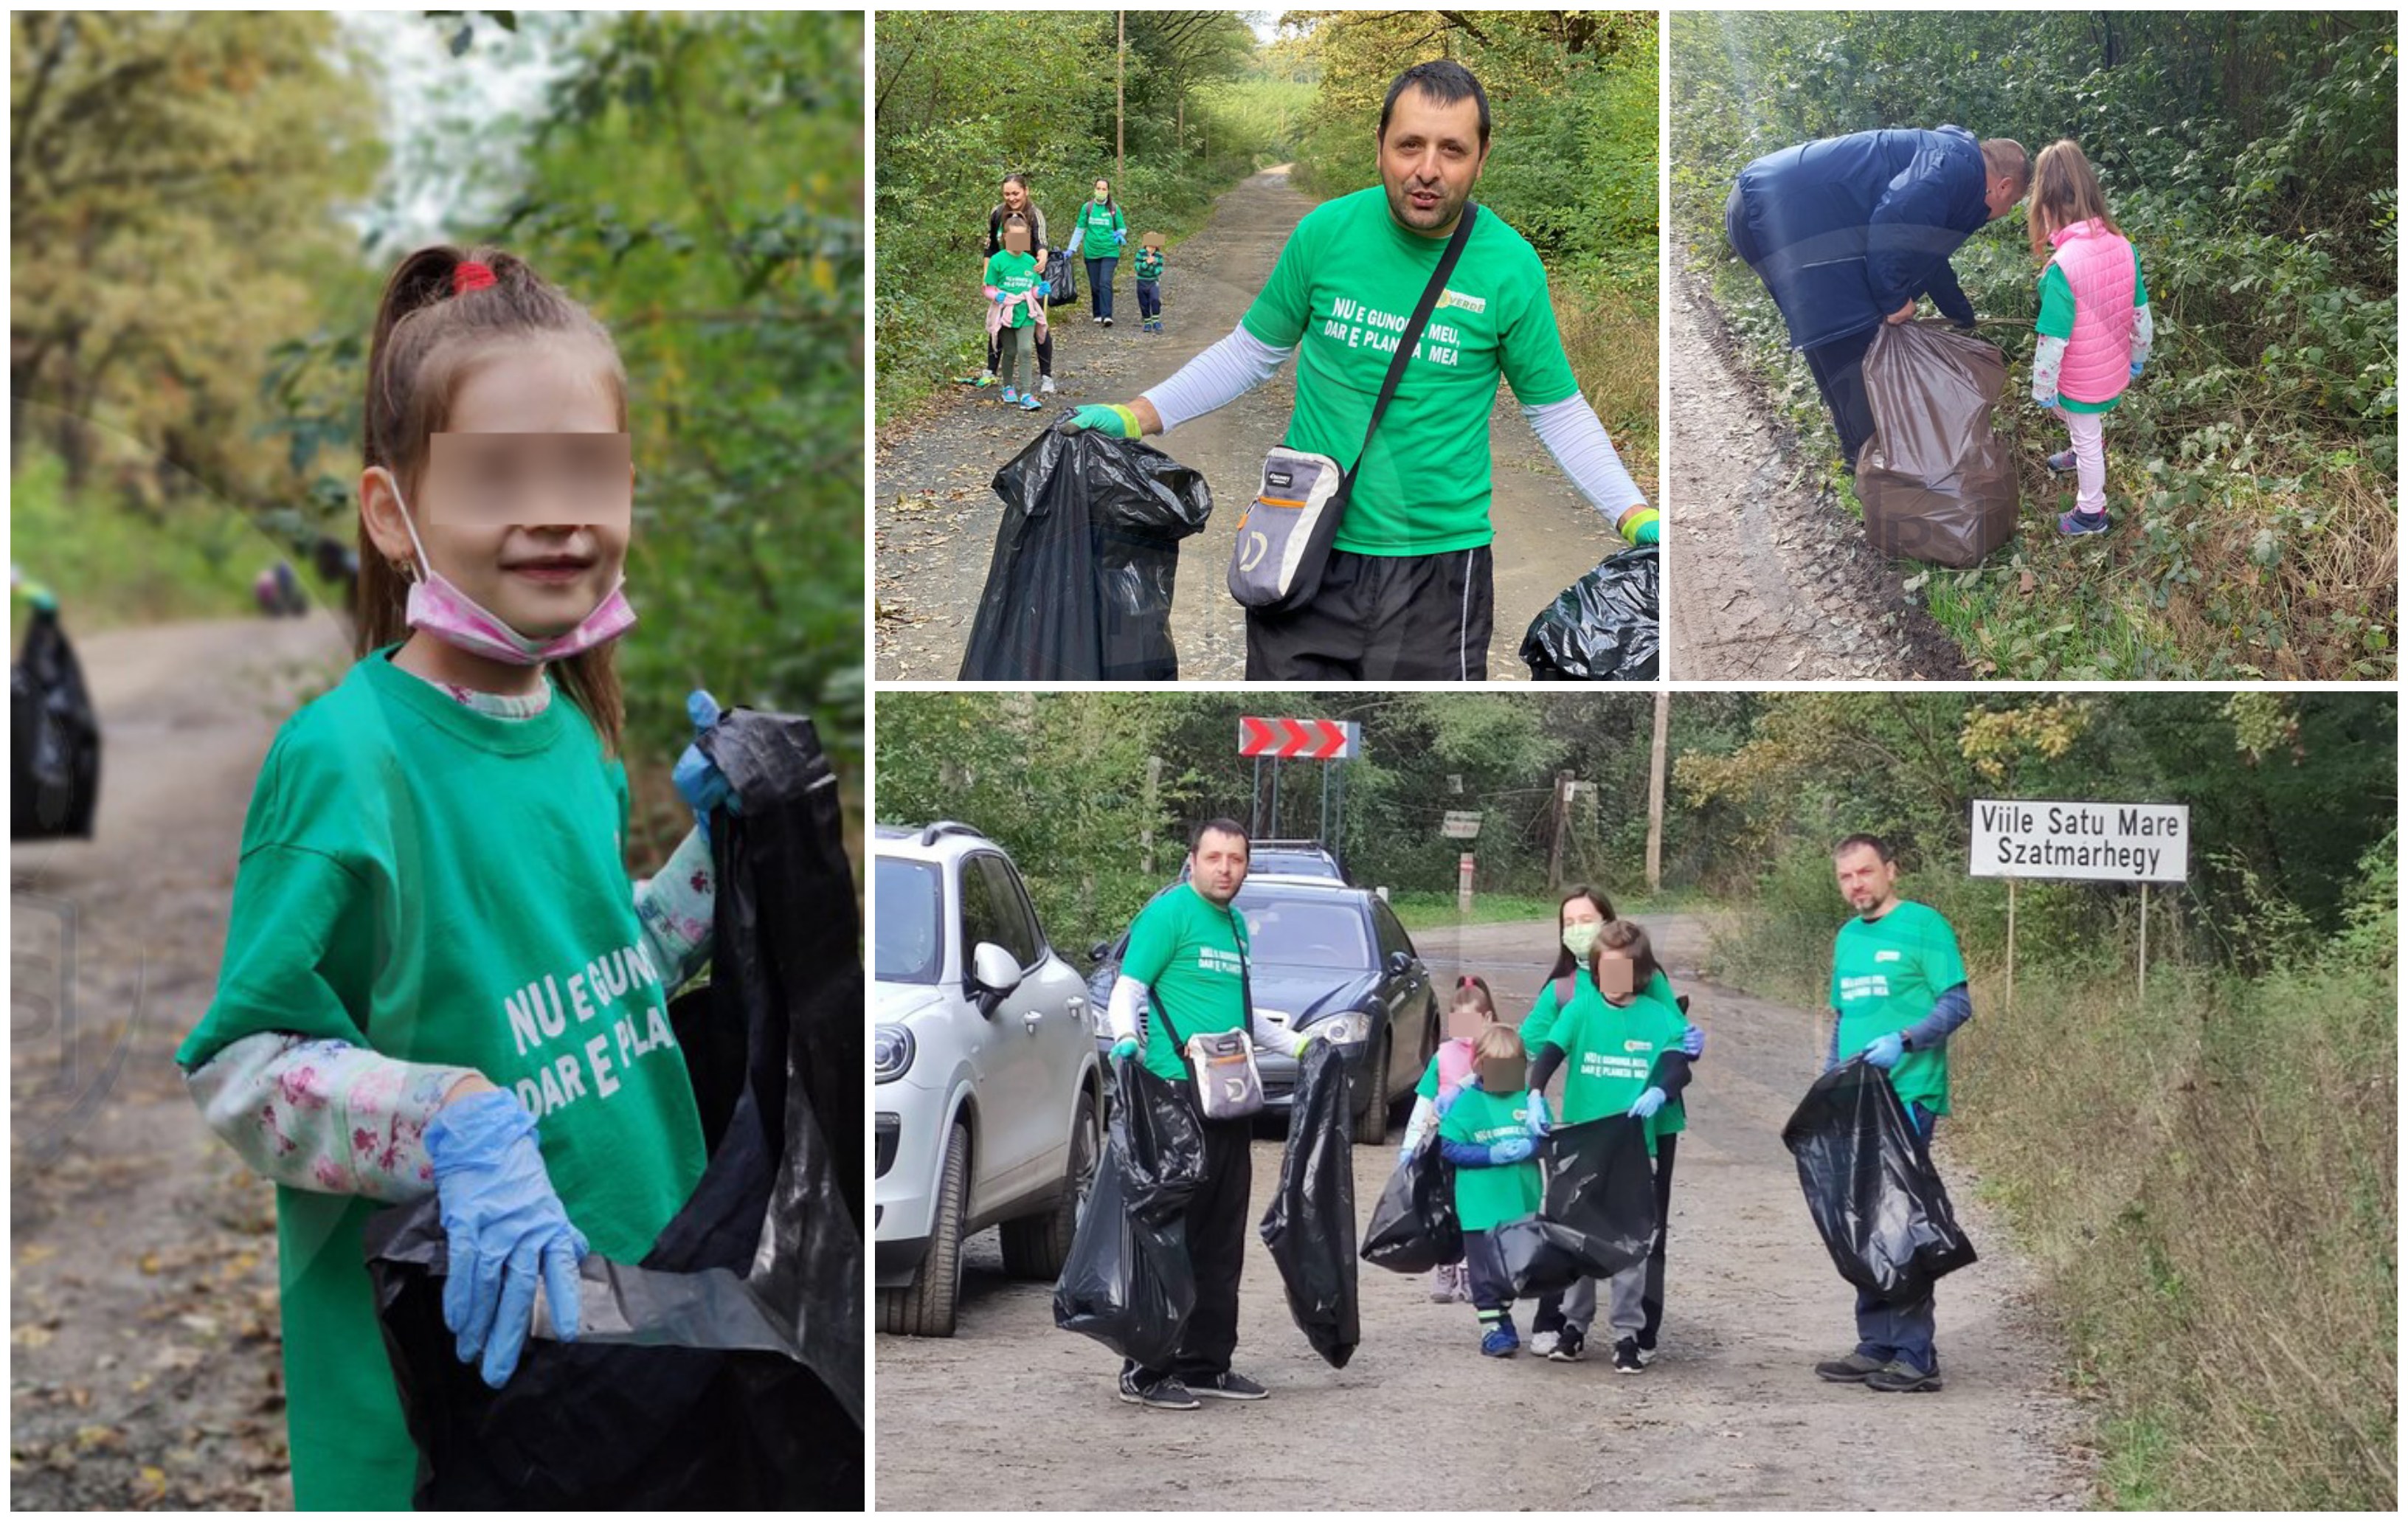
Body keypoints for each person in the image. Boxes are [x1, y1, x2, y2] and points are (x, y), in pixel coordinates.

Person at [173, 246, 746, 1507]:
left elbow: (591, 974)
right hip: (445, 1406)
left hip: (628, 1344)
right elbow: (241, 1071)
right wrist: (450, 1118)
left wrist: (722, 868)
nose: (555, 511)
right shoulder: (345, 760)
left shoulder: (572, 728)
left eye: (587, 469)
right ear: (394, 511)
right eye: (497, 475)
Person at [1061, 60, 1655, 680]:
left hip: (1439, 569)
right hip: (1300, 548)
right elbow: (1249, 352)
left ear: (1482, 157)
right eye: (1409, 145)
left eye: (1452, 149)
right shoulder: (1326, 234)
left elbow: (1555, 408)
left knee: (1413, 753)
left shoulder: (1511, 267)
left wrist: (1632, 512)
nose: (1428, 169)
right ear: (1379, 148)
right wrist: (1135, 415)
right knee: (1285, 742)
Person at [1102, 817, 1321, 1410]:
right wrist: (1126, 1040)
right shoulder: (1170, 914)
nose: (1226, 868)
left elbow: (1242, 1017)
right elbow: (1129, 989)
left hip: (1228, 1101)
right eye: (1215, 857)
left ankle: (1206, 1362)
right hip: (1175, 1101)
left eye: (1236, 859)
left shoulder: (1235, 925)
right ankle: (1146, 1369)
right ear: (1193, 860)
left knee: (1221, 1241)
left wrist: (1299, 1045)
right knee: (1170, 1238)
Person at [1725, 127, 2031, 470]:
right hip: (1780, 211)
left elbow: (1927, 250)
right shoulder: (1955, 167)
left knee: (1826, 328)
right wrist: (1893, 299)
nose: (2007, 210)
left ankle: (1860, 458)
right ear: (2004, 186)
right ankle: (1871, 465)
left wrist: (1960, 313)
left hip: (1763, 203)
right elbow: (1893, 220)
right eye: (2015, 202)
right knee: (1849, 333)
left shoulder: (1954, 163)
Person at [1814, 834, 1974, 1394]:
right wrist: (1833, 1081)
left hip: (1907, 1093)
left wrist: (1904, 1040)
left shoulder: (1924, 926)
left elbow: (1957, 1004)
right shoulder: (1848, 937)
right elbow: (1842, 1016)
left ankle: (1915, 1354)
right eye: (1845, 877)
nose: (1856, 884)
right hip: (1859, 1098)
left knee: (1899, 1220)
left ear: (1890, 871)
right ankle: (1876, 1343)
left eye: (1865, 872)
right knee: (1863, 1216)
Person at [1520, 888, 1701, 1363]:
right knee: (1577, 1232)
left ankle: (1630, 1333)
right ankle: (1572, 1327)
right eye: (1569, 921)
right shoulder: (1577, 1003)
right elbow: (1548, 1052)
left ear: (1639, 973)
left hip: (1637, 1143)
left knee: (1632, 1239)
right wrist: (1534, 1093)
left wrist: (1662, 1087)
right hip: (1584, 1134)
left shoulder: (1657, 1011)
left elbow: (1677, 1060)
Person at [2024, 139, 2151, 537]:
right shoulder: (2124, 247)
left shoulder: (2062, 267)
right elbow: (2141, 317)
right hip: (2112, 366)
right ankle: (2080, 453)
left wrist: (2042, 387)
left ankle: (2091, 513)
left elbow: (2053, 340)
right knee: (2082, 426)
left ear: (2046, 207)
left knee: (2087, 432)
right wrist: (2138, 357)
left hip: (2082, 376)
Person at [1435, 1023, 1544, 1357]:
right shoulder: (1467, 1104)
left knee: (1514, 1269)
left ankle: (1503, 1313)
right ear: (1479, 1066)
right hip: (1479, 1204)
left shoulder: (1526, 1100)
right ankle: (1492, 1328)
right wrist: (1489, 1155)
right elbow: (1449, 1148)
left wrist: (1532, 1146)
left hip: (1520, 1202)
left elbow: (1546, 1137)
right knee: (1482, 1271)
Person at [1400, 973, 1502, 1304]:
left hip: (1484, 1146)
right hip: (1447, 1147)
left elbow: (1510, 1096)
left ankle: (1476, 1270)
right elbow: (1424, 1104)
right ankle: (1446, 1267)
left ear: (1486, 1019)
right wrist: (1409, 1147)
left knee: (1479, 1211)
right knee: (1446, 1209)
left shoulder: (1500, 1052)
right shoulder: (1442, 1057)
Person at [973, 173, 1056, 393]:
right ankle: (992, 370)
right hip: (1004, 275)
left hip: (1029, 273)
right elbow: (990, 247)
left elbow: (1041, 241)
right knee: (999, 322)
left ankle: (1046, 375)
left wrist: (1043, 257)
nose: (1012, 198)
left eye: (1016, 193)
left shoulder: (1034, 214)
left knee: (1036, 322)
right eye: (1007, 194)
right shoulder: (997, 213)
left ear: (1026, 191)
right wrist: (986, 276)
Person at [983, 217, 1047, 411]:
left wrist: (1041, 291)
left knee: (1026, 350)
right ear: (1006, 238)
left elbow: (1034, 289)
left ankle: (1027, 394)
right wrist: (997, 296)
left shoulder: (1030, 261)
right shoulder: (997, 260)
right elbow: (988, 288)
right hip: (1005, 313)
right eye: (1015, 238)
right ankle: (1008, 387)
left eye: (1023, 237)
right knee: (1010, 351)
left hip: (1026, 311)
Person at [1064, 176, 1128, 327]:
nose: (1101, 191)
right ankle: (1098, 313)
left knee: (1105, 282)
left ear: (1108, 191)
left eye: (1104, 189)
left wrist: (1119, 234)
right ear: (1094, 189)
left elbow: (1123, 227)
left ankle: (1107, 315)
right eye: (1098, 188)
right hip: (1091, 252)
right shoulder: (1087, 208)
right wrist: (1071, 249)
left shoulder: (1114, 208)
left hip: (1110, 251)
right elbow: (1080, 229)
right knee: (1095, 285)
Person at [1134, 231, 1166, 334]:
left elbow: (1158, 271)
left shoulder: (1159, 256)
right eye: (1149, 246)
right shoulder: (1140, 254)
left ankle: (1156, 320)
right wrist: (1146, 263)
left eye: (1154, 246)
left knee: (1155, 299)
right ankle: (1147, 321)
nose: (1151, 248)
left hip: (1153, 281)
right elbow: (1138, 268)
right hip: (1141, 281)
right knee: (1144, 302)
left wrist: (1152, 265)